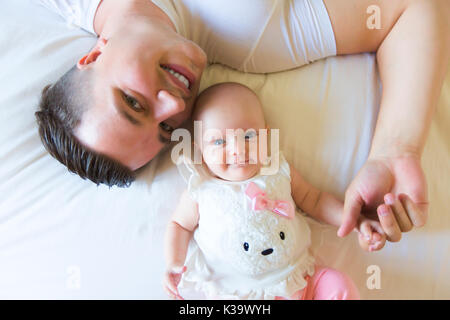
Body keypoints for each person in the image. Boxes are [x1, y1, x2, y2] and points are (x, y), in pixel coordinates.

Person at [34, 0, 450, 245]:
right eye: (167, 130)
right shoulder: (256, 36)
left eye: (133, 102)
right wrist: (398, 148)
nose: (172, 105)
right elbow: (408, 8)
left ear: (92, 56)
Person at [164, 82, 366, 300]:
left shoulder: (278, 171)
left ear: (266, 136)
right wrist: (174, 262)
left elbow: (313, 199)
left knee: (338, 286)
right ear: (201, 151)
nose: (238, 150)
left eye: (249, 136)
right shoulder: (201, 191)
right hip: (241, 296)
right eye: (220, 141)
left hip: (300, 281)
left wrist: (352, 219)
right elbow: (179, 225)